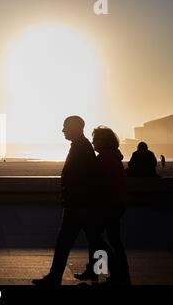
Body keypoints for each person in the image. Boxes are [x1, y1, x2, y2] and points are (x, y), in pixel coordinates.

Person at [32, 116, 108, 286]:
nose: (63, 130)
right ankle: (99, 273)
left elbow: (82, 178)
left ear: (75, 128)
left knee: (66, 242)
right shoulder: (82, 146)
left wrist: (78, 203)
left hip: (78, 205)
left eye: (65, 127)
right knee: (95, 240)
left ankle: (56, 276)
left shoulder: (81, 148)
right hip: (81, 204)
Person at [74, 126, 131, 285]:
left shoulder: (103, 160)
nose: (92, 142)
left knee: (97, 239)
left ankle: (112, 272)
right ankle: (105, 272)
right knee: (112, 240)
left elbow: (100, 185)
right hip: (116, 204)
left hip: (106, 205)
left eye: (95, 139)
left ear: (102, 141)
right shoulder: (114, 157)